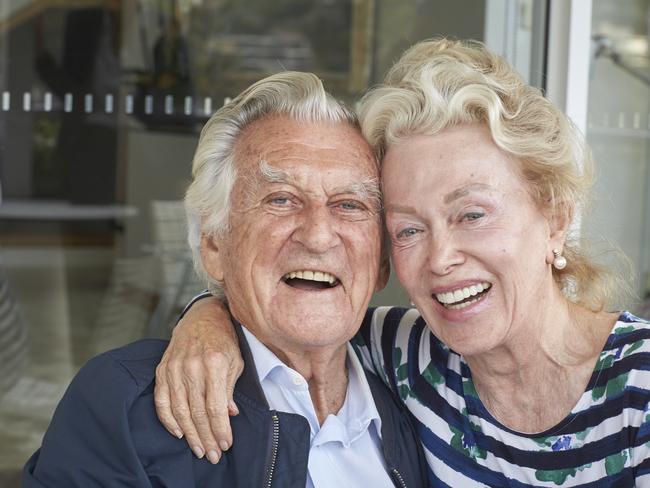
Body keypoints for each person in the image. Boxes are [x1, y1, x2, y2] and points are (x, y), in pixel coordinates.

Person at [154, 38, 650, 487]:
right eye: (409, 229)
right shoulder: (404, 355)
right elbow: (289, 309)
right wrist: (207, 319)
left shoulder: (640, 389)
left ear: (555, 221)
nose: (442, 258)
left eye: (471, 214)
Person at [22, 72, 428, 487]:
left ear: (380, 261)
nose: (319, 236)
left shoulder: (418, 402)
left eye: (349, 204)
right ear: (214, 244)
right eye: (281, 199)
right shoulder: (125, 407)